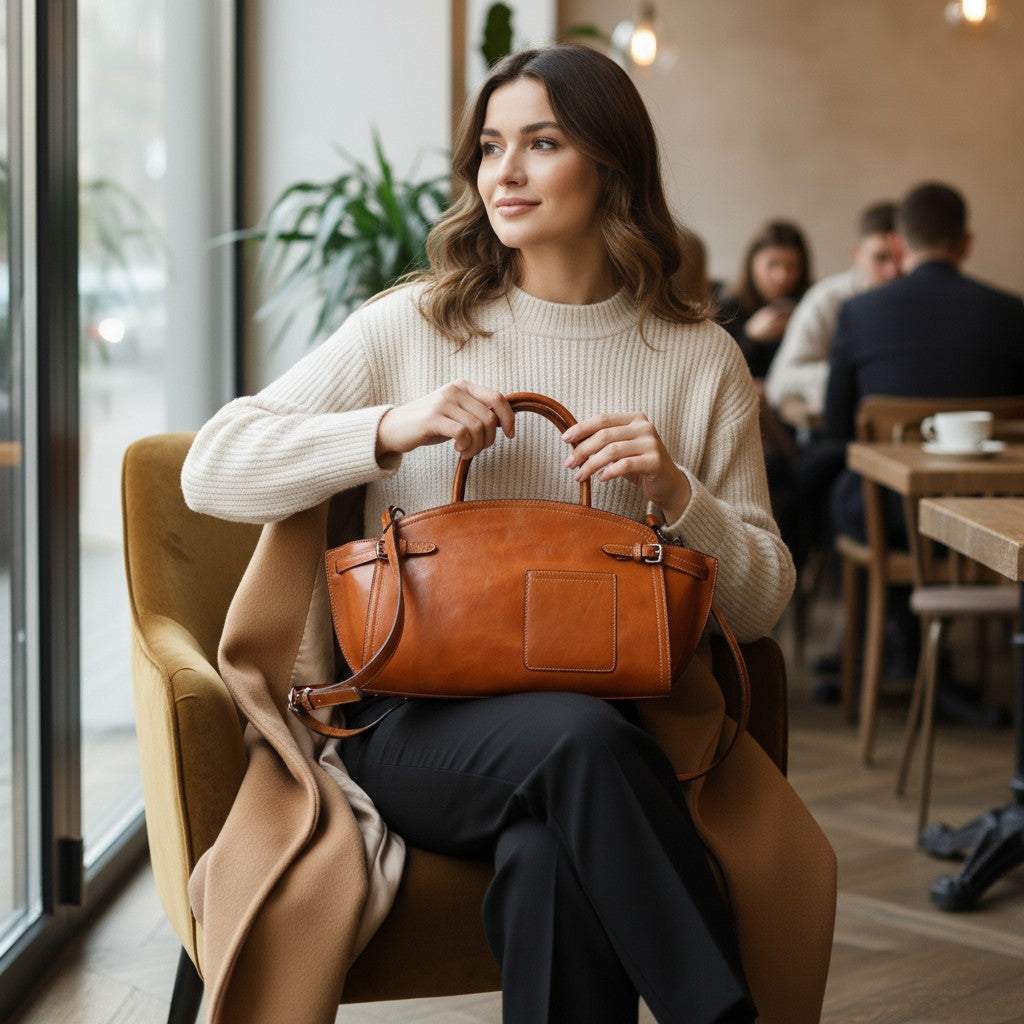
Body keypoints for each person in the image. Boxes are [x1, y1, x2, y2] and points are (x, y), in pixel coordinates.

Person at [182, 45, 834, 1024]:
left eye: (541, 142)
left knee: (555, 858)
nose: (505, 172)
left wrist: (676, 490)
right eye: (490, 146)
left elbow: (760, 600)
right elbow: (211, 467)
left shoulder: (699, 360)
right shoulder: (410, 327)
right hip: (409, 723)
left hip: (619, 727)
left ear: (610, 166)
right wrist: (386, 428)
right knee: (576, 742)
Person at [826, 181, 1024, 680]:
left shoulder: (859, 311)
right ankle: (927, 656)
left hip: (888, 517)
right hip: (985, 517)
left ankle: (897, 649)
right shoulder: (1011, 313)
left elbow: (837, 423)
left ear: (898, 244)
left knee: (846, 492)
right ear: (966, 242)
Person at [765, 201, 900, 418]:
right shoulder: (826, 299)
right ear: (857, 254)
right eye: (881, 257)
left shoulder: (921, 301)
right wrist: (849, 376)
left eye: (900, 258)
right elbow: (779, 383)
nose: (893, 271)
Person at [716, 220, 812, 380]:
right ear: (753, 262)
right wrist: (751, 336)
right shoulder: (727, 304)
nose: (782, 276)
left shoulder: (812, 303)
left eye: (792, 266)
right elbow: (718, 369)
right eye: (772, 264)